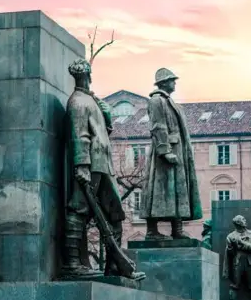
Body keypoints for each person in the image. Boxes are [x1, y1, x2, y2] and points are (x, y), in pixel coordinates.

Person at [63, 58, 141, 279]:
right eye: (84, 75)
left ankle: (114, 266)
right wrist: (81, 165)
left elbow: (105, 130)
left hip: (103, 165)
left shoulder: (92, 102)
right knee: (78, 209)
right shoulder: (77, 102)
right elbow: (80, 135)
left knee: (115, 214)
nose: (85, 79)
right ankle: (71, 263)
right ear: (87, 77)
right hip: (91, 164)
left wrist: (105, 112)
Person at [139, 68, 202, 239]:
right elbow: (157, 126)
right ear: (164, 82)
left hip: (178, 150)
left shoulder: (170, 102)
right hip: (165, 152)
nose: (175, 83)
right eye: (172, 80)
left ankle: (177, 229)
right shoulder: (156, 100)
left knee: (178, 190)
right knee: (158, 189)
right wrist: (164, 151)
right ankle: (152, 231)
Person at [223, 215, 251, 300]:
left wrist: (242, 244)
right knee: (234, 285)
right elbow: (230, 254)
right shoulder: (231, 236)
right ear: (238, 223)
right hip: (237, 263)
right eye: (243, 219)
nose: (245, 221)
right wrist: (230, 247)